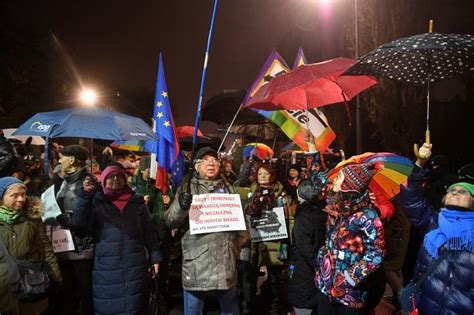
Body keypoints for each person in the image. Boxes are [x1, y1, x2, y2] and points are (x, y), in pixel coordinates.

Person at [164, 146, 249, 315]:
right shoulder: (187, 188)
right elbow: (170, 221)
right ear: (196, 166)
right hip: (197, 261)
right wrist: (181, 206)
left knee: (230, 308)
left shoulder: (229, 188)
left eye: (214, 160)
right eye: (205, 160)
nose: (211, 163)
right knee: (194, 309)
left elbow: (241, 225)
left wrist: (238, 249)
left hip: (226, 261)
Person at [72, 165, 162, 314]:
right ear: (103, 180)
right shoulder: (97, 201)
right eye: (110, 176)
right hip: (106, 266)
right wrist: (85, 196)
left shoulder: (137, 202)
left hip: (135, 265)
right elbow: (79, 224)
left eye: (119, 176)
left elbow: (149, 231)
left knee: (135, 306)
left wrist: (155, 257)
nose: (115, 179)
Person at [399, 144, 474, 314]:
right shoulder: (434, 221)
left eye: (463, 191)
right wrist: (419, 164)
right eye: (452, 190)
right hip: (426, 308)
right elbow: (412, 199)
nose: (455, 192)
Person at [316, 162, 385, 315]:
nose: (334, 179)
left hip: (350, 294)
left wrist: (348, 278)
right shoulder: (336, 204)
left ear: (349, 185)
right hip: (325, 286)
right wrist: (312, 149)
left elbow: (376, 254)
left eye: (339, 177)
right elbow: (318, 182)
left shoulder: (368, 216)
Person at [0, 177, 62, 315]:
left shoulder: (32, 218)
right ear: (1, 198)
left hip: (31, 283)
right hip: (3, 288)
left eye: (23, 195)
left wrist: (55, 276)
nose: (21, 199)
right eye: (14, 195)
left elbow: (45, 248)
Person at [52, 144, 94, 315]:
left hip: (81, 248)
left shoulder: (86, 183)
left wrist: (67, 220)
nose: (59, 160)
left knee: (84, 292)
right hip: (64, 244)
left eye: (62, 157)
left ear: (72, 159)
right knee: (67, 290)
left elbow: (88, 217)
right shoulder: (65, 180)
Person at [246, 163, 288, 315]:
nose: (263, 176)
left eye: (266, 173)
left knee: (276, 278)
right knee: (250, 276)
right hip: (255, 242)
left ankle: (276, 307)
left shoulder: (281, 193)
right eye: (260, 174)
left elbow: (288, 218)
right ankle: (251, 307)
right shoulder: (249, 192)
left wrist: (285, 244)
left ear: (272, 175)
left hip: (274, 241)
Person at [287, 161, 328, 315]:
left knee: (303, 304)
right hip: (317, 267)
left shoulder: (303, 216)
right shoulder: (322, 213)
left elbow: (304, 245)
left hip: (304, 269)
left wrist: (316, 264)